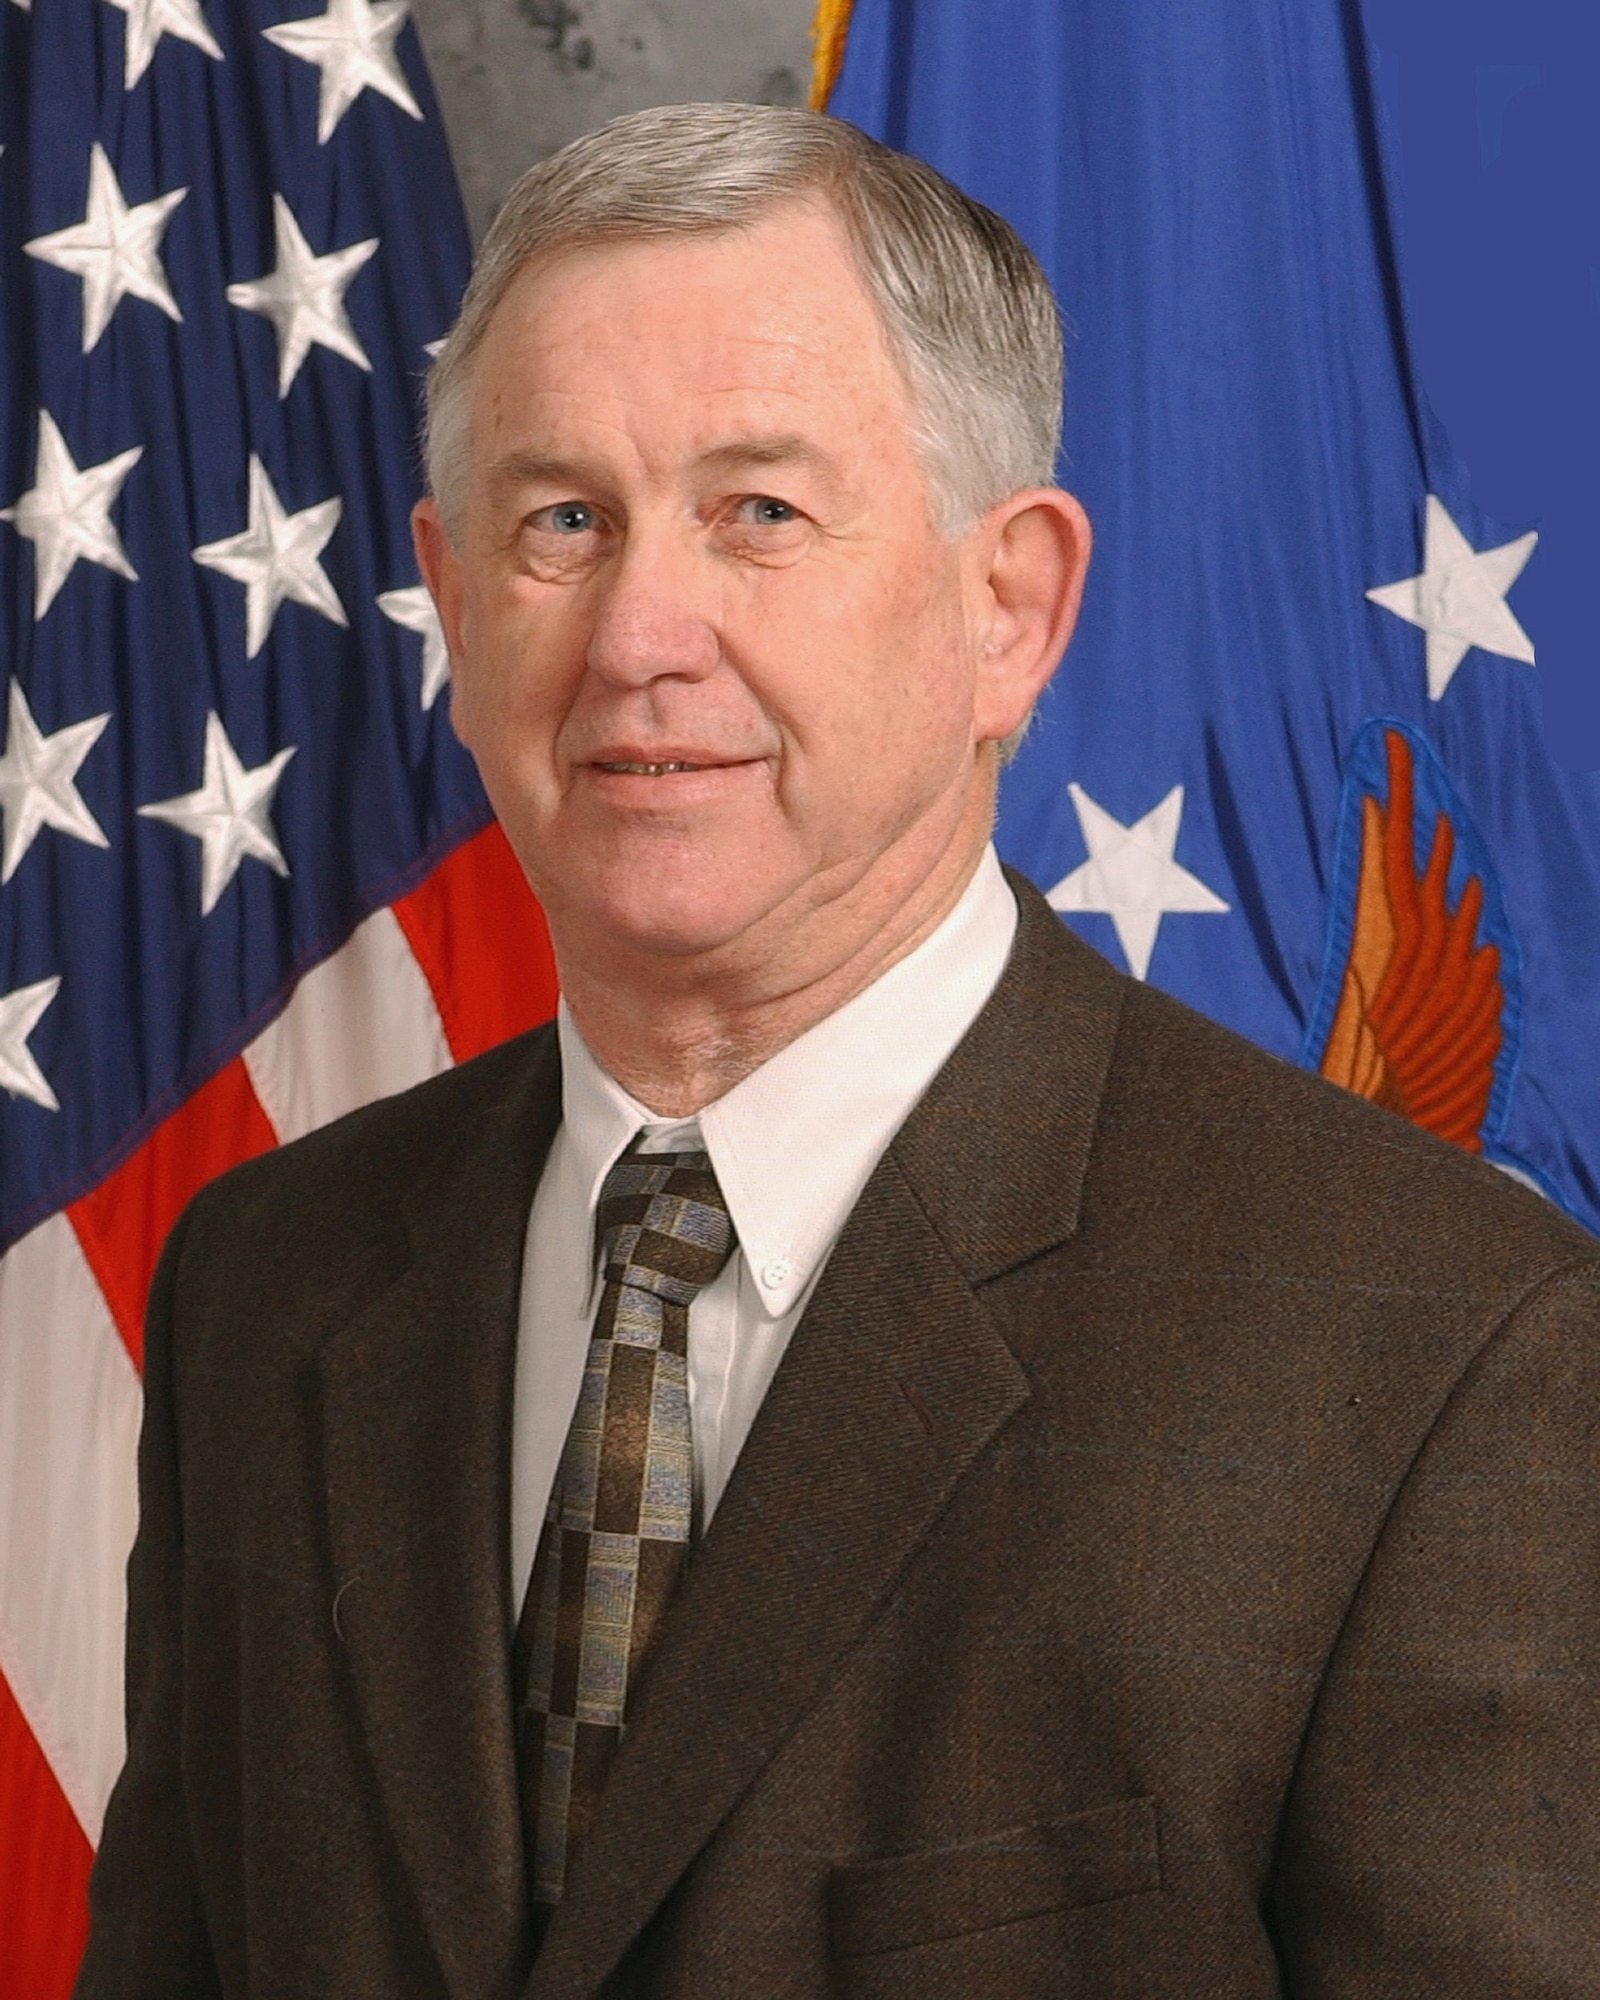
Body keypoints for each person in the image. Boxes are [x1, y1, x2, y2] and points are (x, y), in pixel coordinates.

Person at [77, 103, 1600, 1999]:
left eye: (761, 514)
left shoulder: (1438, 1351)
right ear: (454, 602)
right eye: (563, 520)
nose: (642, 631)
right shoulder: (264, 1282)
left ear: (1009, 608)